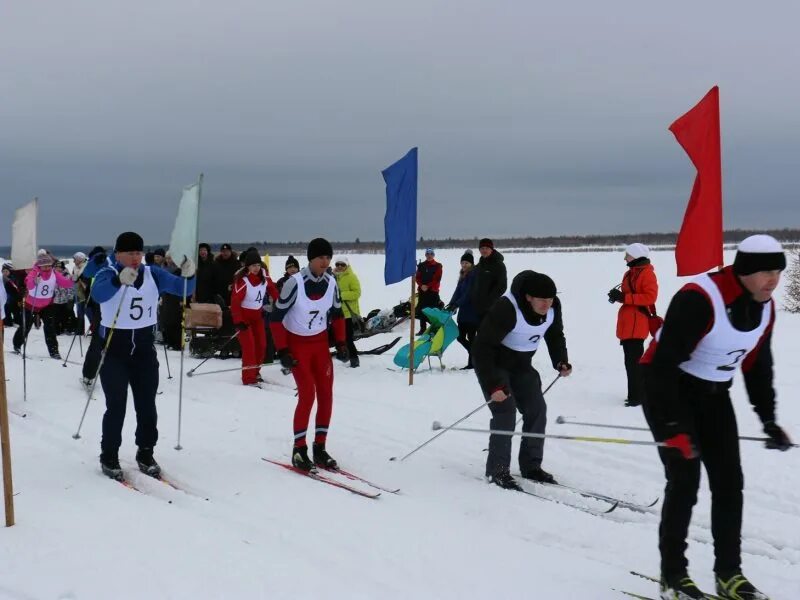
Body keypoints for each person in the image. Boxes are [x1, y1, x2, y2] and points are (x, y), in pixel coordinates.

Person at [641, 234, 793, 600]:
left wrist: (768, 419)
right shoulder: (700, 298)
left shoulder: (765, 307)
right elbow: (662, 368)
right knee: (685, 480)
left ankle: (729, 575)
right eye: (764, 272)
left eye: (777, 271)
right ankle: (673, 577)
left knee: (729, 484)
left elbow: (757, 366)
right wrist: (674, 426)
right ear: (743, 272)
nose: (772, 279)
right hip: (669, 389)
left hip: (714, 397)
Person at [90, 231, 195, 480]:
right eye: (129, 253)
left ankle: (146, 451)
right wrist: (119, 281)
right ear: (118, 254)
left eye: (138, 252)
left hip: (144, 351)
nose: (135, 257)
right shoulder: (107, 273)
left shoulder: (153, 273)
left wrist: (190, 274)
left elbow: (183, 289)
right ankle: (109, 455)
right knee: (116, 406)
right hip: (115, 351)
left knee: (147, 405)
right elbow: (99, 294)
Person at [472, 271, 572, 490]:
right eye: (542, 299)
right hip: (494, 364)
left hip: (522, 365)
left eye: (551, 299)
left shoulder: (553, 307)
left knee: (537, 410)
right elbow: (482, 348)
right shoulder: (506, 308)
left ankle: (531, 466)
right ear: (528, 297)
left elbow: (555, 334)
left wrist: (561, 360)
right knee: (505, 412)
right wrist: (493, 385)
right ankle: (497, 470)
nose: (547, 304)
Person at [270, 238, 349, 471]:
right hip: (298, 346)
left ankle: (320, 448)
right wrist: (282, 350)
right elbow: (275, 318)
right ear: (311, 259)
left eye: (328, 258)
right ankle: (299, 449)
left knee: (326, 395)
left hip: (320, 345)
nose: (325, 262)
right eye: (321, 258)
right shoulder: (294, 283)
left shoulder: (332, 282)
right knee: (307, 394)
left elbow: (337, 313)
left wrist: (342, 342)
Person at [608, 243, 658, 407]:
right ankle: (635, 395)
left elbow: (650, 297)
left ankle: (638, 397)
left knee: (634, 362)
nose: (625, 258)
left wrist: (625, 298)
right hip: (628, 323)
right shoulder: (629, 273)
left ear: (636, 256)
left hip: (637, 324)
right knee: (630, 362)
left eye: (627, 255)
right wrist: (618, 296)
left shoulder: (647, 274)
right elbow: (629, 295)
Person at [230, 250, 278, 386]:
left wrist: (280, 304)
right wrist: (238, 320)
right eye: (253, 266)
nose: (256, 268)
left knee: (261, 345)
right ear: (247, 267)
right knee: (249, 348)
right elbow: (235, 302)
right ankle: (248, 378)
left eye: (258, 265)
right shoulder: (243, 281)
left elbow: (273, 289)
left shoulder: (264, 275)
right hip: (244, 319)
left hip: (257, 317)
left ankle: (256, 372)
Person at [12, 254, 74, 358]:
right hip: (31, 304)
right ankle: (17, 345)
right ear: (39, 266)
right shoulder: (34, 272)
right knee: (26, 326)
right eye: (44, 266)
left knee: (50, 327)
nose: (47, 268)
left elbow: (65, 283)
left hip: (47, 305)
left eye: (49, 265)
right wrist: (34, 282)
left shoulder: (54, 273)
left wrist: (72, 279)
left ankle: (54, 351)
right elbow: (29, 285)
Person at [446, 250, 479, 369]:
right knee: (459, 336)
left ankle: (472, 362)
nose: (464, 265)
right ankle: (475, 356)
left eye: (467, 263)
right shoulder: (463, 275)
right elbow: (458, 292)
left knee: (471, 337)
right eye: (462, 263)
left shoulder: (473, 275)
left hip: (472, 312)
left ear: (471, 264)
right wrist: (451, 304)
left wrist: (457, 304)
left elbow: (468, 294)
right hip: (463, 312)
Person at [333, 256, 362, 368]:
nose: (340, 267)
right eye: (338, 264)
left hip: (348, 314)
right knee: (338, 337)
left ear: (347, 266)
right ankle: (343, 355)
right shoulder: (332, 277)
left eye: (342, 264)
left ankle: (354, 359)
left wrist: (342, 295)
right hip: (335, 313)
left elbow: (357, 293)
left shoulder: (351, 277)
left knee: (348, 338)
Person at [471, 238, 507, 322]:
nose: (484, 250)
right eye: (482, 248)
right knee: (479, 332)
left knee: (488, 333)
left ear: (491, 249)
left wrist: (488, 302)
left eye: (487, 248)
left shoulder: (499, 265)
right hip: (477, 307)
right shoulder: (480, 264)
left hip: (491, 308)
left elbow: (502, 286)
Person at [415, 248, 443, 335]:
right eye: (427, 254)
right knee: (422, 310)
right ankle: (422, 329)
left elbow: (437, 279)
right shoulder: (421, 265)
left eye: (431, 254)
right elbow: (417, 277)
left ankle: (435, 328)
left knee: (432, 311)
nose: (429, 256)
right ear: (425, 255)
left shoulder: (438, 266)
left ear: (433, 255)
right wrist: (421, 285)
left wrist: (427, 286)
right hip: (423, 291)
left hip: (432, 292)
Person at [72, 252, 89, 334]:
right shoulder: (75, 268)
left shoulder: (86, 267)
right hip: (78, 292)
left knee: (89, 312)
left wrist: (80, 279)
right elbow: (74, 279)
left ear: (79, 259)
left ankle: (94, 330)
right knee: (79, 311)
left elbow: (87, 280)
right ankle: (80, 330)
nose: (73, 261)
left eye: (75, 259)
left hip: (86, 293)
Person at [2, 262, 22, 327]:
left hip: (14, 298)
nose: (5, 273)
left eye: (6, 271)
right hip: (6, 299)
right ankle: (7, 322)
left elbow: (16, 289)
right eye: (3, 271)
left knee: (15, 311)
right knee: (6, 310)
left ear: (10, 271)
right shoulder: (2, 279)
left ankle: (17, 321)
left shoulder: (13, 278)